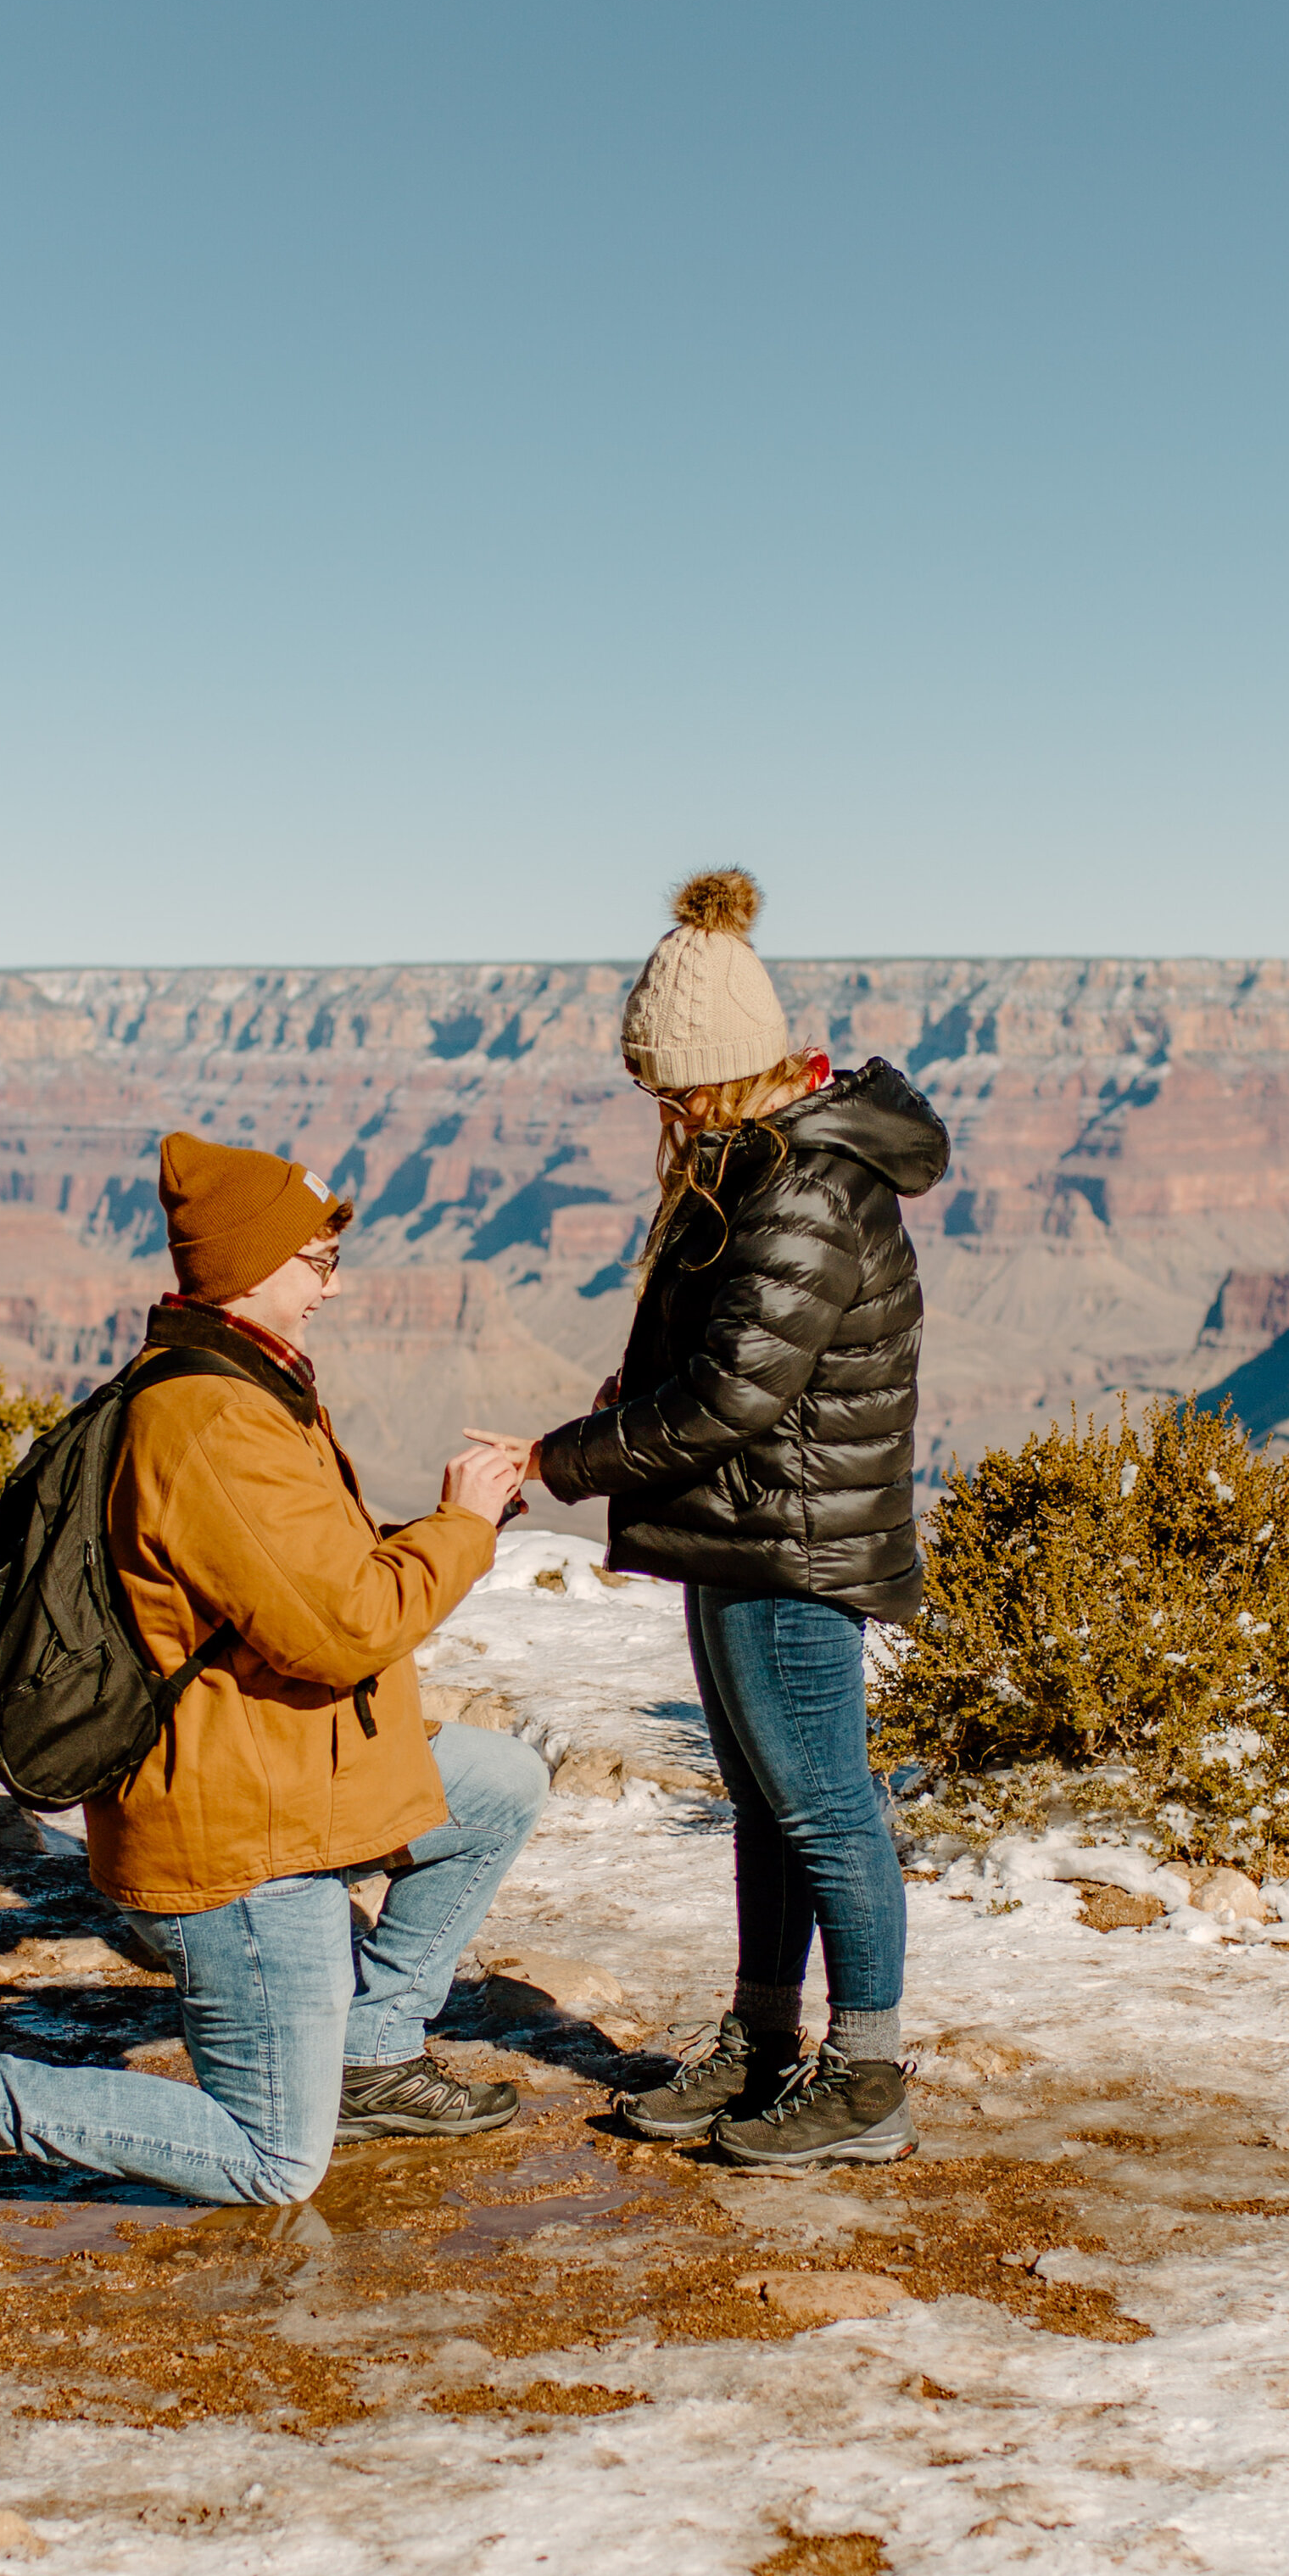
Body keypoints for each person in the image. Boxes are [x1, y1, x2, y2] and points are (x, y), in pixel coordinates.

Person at [0, 1132, 544, 2231]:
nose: (335, 1283)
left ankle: (369, 2051)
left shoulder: (243, 1381)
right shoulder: (215, 1421)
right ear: (249, 1264)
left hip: (290, 1762)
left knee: (499, 1783)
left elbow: (310, 1582)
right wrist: (459, 1529)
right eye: (317, 1261)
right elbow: (345, 1627)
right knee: (277, 2160)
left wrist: (448, 1526)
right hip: (245, 1831)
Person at [476, 868, 948, 2171]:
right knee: (768, 1800)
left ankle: (866, 2075)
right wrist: (637, 1387)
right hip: (746, 1522)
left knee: (825, 1803)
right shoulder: (762, 1161)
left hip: (787, 1541)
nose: (665, 1116)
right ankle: (762, 2040)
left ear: (727, 1073)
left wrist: (557, 1458)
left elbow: (737, 1396)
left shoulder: (801, 1185)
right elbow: (727, 1355)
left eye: (673, 1091)